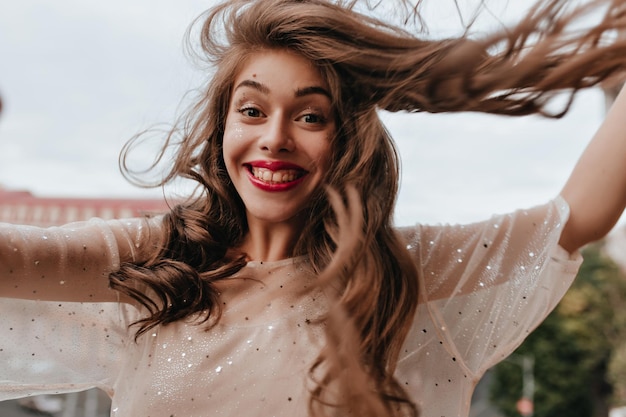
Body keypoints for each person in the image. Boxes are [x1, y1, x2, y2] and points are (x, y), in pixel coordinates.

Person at [2, 0, 626, 416]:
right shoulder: (156, 261)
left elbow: (581, 214)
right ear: (222, 128)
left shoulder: (407, 272)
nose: (274, 137)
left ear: (346, 139)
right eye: (252, 110)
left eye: (309, 115)